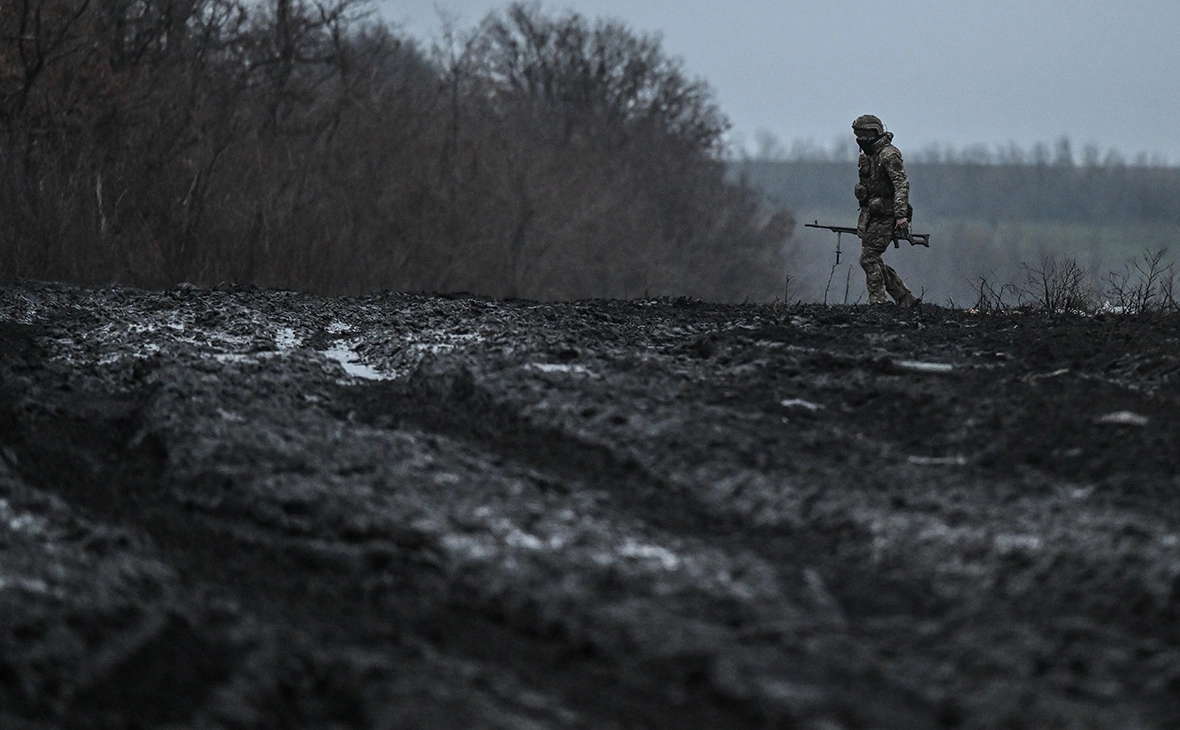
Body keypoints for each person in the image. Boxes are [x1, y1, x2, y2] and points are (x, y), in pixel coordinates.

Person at [852, 114, 920, 307]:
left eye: (863, 135)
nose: (860, 140)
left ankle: (878, 303)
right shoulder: (868, 156)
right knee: (872, 257)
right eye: (858, 136)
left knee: (868, 257)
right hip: (873, 214)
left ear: (874, 133)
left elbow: (901, 185)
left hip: (889, 215)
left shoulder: (889, 155)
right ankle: (905, 299)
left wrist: (900, 216)